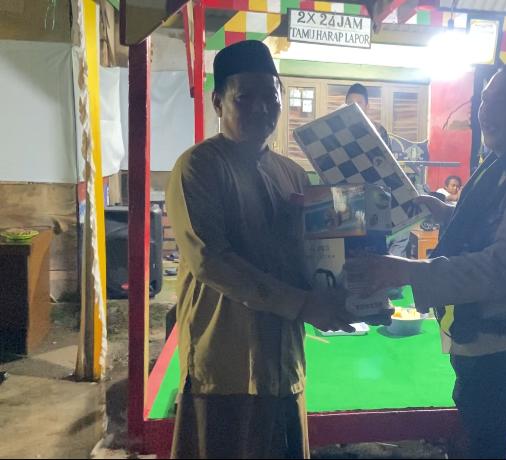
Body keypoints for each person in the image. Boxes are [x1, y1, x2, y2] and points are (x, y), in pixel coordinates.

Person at [345, 63, 506, 459]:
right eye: (485, 100)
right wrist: (446, 213)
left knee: (495, 446)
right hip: (480, 346)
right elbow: (492, 224)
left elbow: (505, 266)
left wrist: (407, 270)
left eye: (502, 101)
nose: (486, 112)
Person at [166, 40, 358, 459]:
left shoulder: (291, 173)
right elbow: (211, 261)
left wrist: (348, 290)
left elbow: (310, 255)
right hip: (226, 361)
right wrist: (304, 304)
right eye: (244, 98)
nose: (260, 108)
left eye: (270, 96)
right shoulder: (198, 166)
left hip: (284, 359)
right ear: (218, 102)